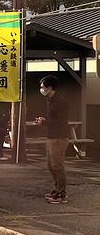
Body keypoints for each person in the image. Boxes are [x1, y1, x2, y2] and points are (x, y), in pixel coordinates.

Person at [36, 75, 69, 204]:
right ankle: (57, 189)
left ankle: (62, 194)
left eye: (42, 87)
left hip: (59, 138)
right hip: (52, 136)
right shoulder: (51, 100)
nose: (41, 89)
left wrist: (44, 122)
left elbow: (60, 122)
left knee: (57, 166)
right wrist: (44, 121)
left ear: (49, 88)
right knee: (51, 165)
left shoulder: (60, 102)